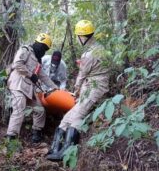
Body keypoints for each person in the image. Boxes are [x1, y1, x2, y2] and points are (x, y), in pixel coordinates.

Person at [46, 20, 110, 161]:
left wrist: (75, 91)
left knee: (77, 117)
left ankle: (65, 152)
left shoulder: (89, 54)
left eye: (77, 36)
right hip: (91, 85)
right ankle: (55, 149)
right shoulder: (99, 48)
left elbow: (81, 76)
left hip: (96, 87)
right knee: (66, 118)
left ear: (82, 37)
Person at [6, 33, 58, 143]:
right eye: (43, 47)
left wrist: (56, 88)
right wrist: (31, 75)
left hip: (28, 89)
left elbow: (43, 76)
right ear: (37, 44)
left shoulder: (37, 59)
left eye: (45, 49)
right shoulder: (25, 50)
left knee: (39, 110)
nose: (43, 51)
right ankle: (11, 138)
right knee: (19, 109)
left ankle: (36, 134)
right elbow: (17, 64)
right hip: (18, 85)